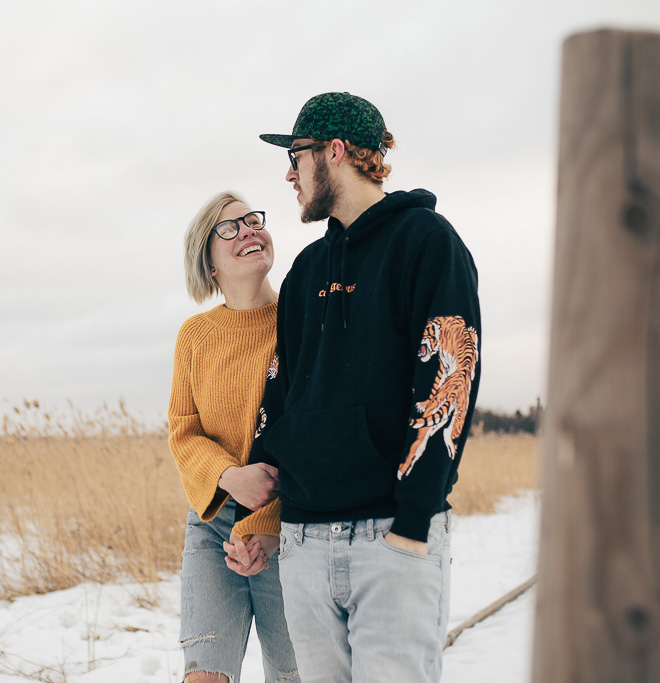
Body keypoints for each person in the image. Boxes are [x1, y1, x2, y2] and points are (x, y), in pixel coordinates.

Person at [248, 92, 482, 682]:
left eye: (296, 155)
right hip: (303, 541)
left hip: (391, 539)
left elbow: (451, 378)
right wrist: (265, 504)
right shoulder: (305, 272)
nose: (289, 173)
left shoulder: (427, 243)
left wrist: (412, 521)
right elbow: (283, 390)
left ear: (334, 152)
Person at [168, 191, 301, 683]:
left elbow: (308, 432)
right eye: (229, 228)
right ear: (209, 263)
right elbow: (184, 432)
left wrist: (265, 517)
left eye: (252, 220)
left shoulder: (300, 322)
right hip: (212, 524)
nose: (247, 230)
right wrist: (229, 477)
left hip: (287, 527)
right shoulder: (195, 335)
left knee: (294, 675)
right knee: (204, 676)